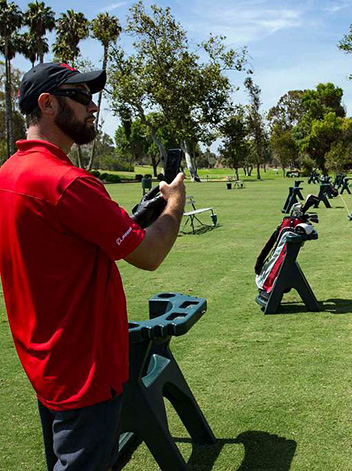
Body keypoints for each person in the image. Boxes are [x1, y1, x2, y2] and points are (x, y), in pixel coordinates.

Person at [0, 62, 186, 470]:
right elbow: (149, 255)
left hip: (46, 364)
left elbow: (60, 246)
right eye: (81, 97)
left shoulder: (8, 175)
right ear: (47, 105)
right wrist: (174, 203)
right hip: (85, 372)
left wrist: (131, 220)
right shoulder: (68, 183)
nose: (93, 106)